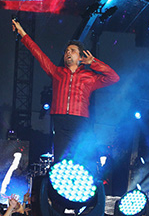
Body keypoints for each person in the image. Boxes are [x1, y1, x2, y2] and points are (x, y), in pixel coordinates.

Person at [11, 18, 120, 163]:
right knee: (60, 162)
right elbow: (38, 54)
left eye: (73, 51)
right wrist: (22, 32)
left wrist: (94, 63)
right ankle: (57, 184)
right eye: (66, 51)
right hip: (60, 121)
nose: (68, 53)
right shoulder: (56, 72)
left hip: (79, 121)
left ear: (80, 57)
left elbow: (114, 77)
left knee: (79, 161)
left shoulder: (90, 77)